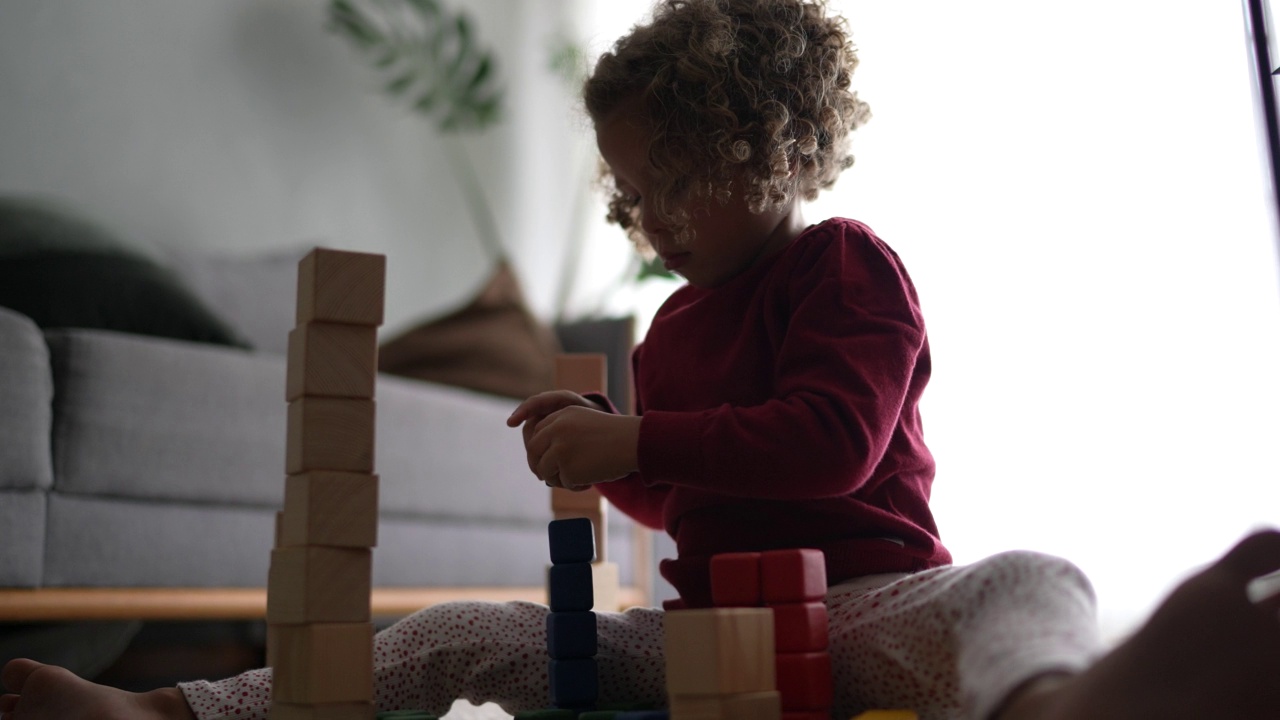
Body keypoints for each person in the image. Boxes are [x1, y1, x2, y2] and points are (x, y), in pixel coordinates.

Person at [3, 1, 1280, 719]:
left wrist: (633, 441)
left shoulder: (846, 270)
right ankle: (170, 713)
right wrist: (602, 457)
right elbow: (685, 498)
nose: (647, 218)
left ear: (773, 151)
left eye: (672, 184)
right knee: (466, 632)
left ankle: (1067, 707)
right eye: (628, 193)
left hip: (871, 603)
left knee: (1025, 575)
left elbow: (828, 446)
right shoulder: (669, 329)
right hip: (707, 637)